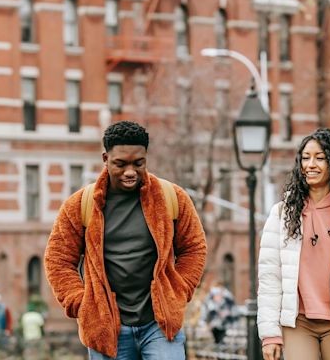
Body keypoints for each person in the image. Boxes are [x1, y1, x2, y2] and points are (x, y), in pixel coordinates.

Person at [45, 121, 208, 360]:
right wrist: (83, 304)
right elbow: (57, 260)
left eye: (138, 163)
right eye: (120, 164)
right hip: (106, 327)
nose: (130, 171)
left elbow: (194, 248)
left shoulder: (172, 197)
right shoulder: (80, 204)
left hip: (159, 325)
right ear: (105, 158)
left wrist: (178, 290)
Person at [258, 128, 330, 360]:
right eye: (305, 158)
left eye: (320, 158)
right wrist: (270, 334)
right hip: (298, 322)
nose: (310, 164)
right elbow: (270, 276)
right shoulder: (282, 213)